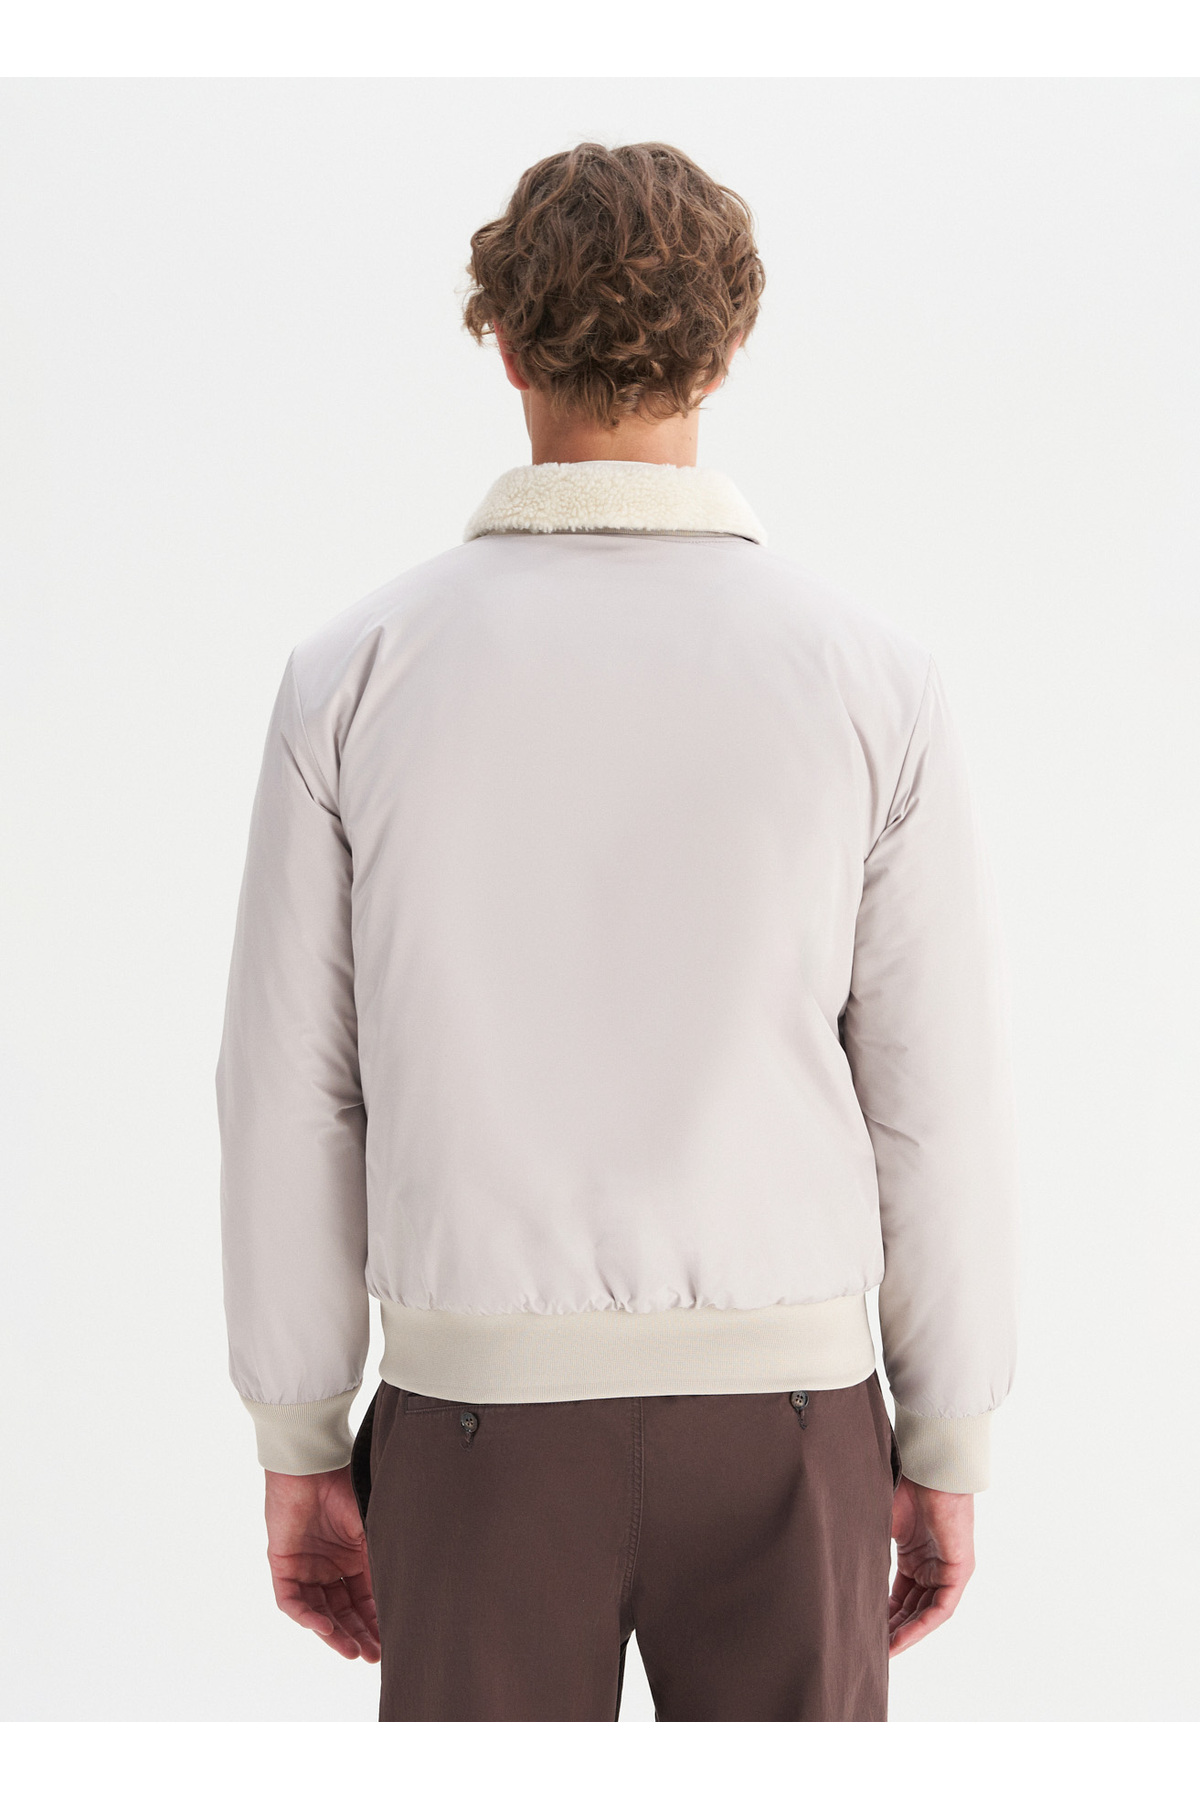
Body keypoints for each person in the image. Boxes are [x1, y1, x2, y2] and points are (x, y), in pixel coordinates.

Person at [216, 140, 1019, 1722]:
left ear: (505, 349)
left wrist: (299, 1436)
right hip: (792, 1424)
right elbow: (934, 1099)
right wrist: (948, 1440)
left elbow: (290, 1090)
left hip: (474, 1426)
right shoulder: (872, 681)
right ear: (730, 349)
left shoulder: (353, 676)